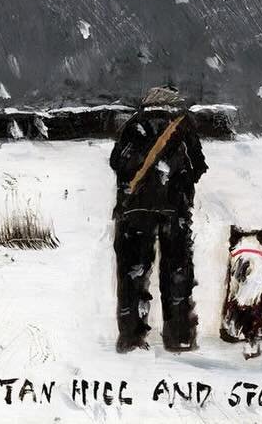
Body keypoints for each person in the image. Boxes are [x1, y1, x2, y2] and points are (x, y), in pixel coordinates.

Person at [109, 85, 208, 353]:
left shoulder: (133, 126)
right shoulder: (182, 126)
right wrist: (174, 182)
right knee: (177, 272)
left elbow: (116, 162)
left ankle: (131, 336)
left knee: (133, 272)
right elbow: (198, 165)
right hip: (174, 209)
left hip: (135, 210)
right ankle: (179, 336)